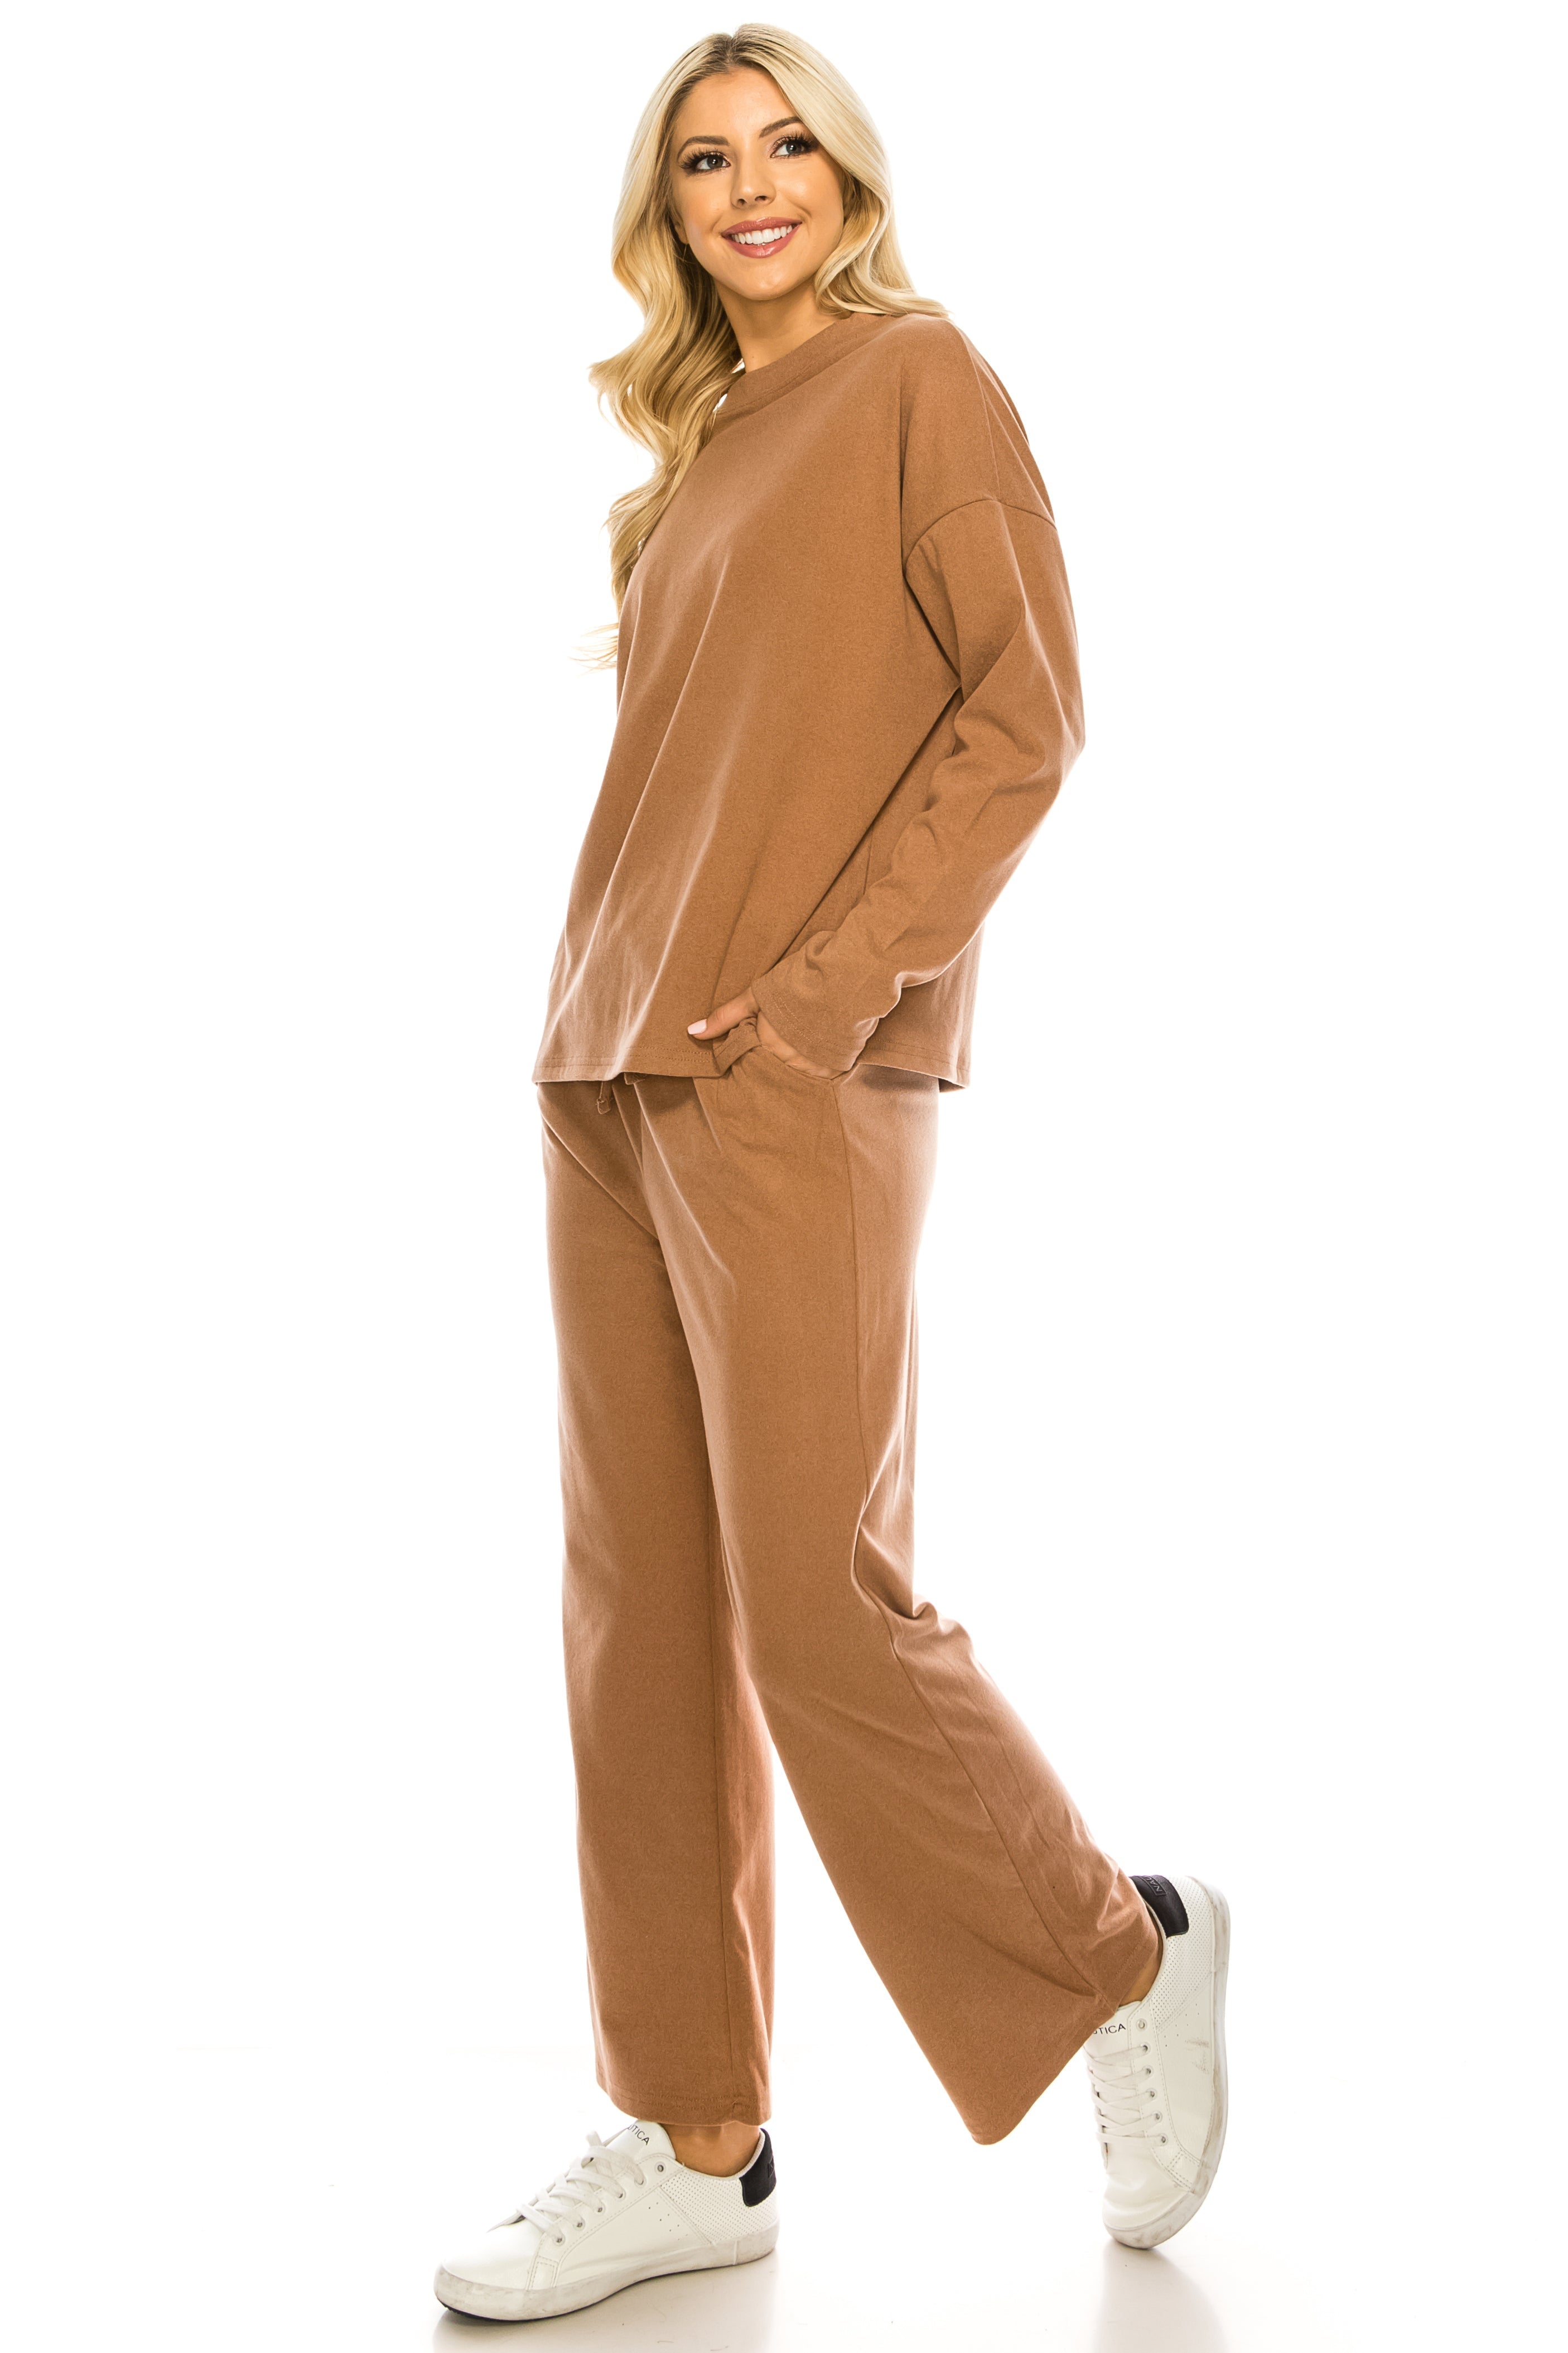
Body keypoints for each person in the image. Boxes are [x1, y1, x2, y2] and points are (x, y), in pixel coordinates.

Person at [435, 23, 1229, 2325]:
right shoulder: (697, 447)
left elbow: (1026, 710)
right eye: (704, 160)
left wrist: (817, 998)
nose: (750, 184)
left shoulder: (921, 383)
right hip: (607, 1064)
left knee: (815, 1604)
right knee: (639, 1619)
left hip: (787, 1070)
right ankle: (696, 2132)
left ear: (851, 181)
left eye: (787, 145)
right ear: (668, 213)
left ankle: (1116, 1941)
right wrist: (613, 1018)